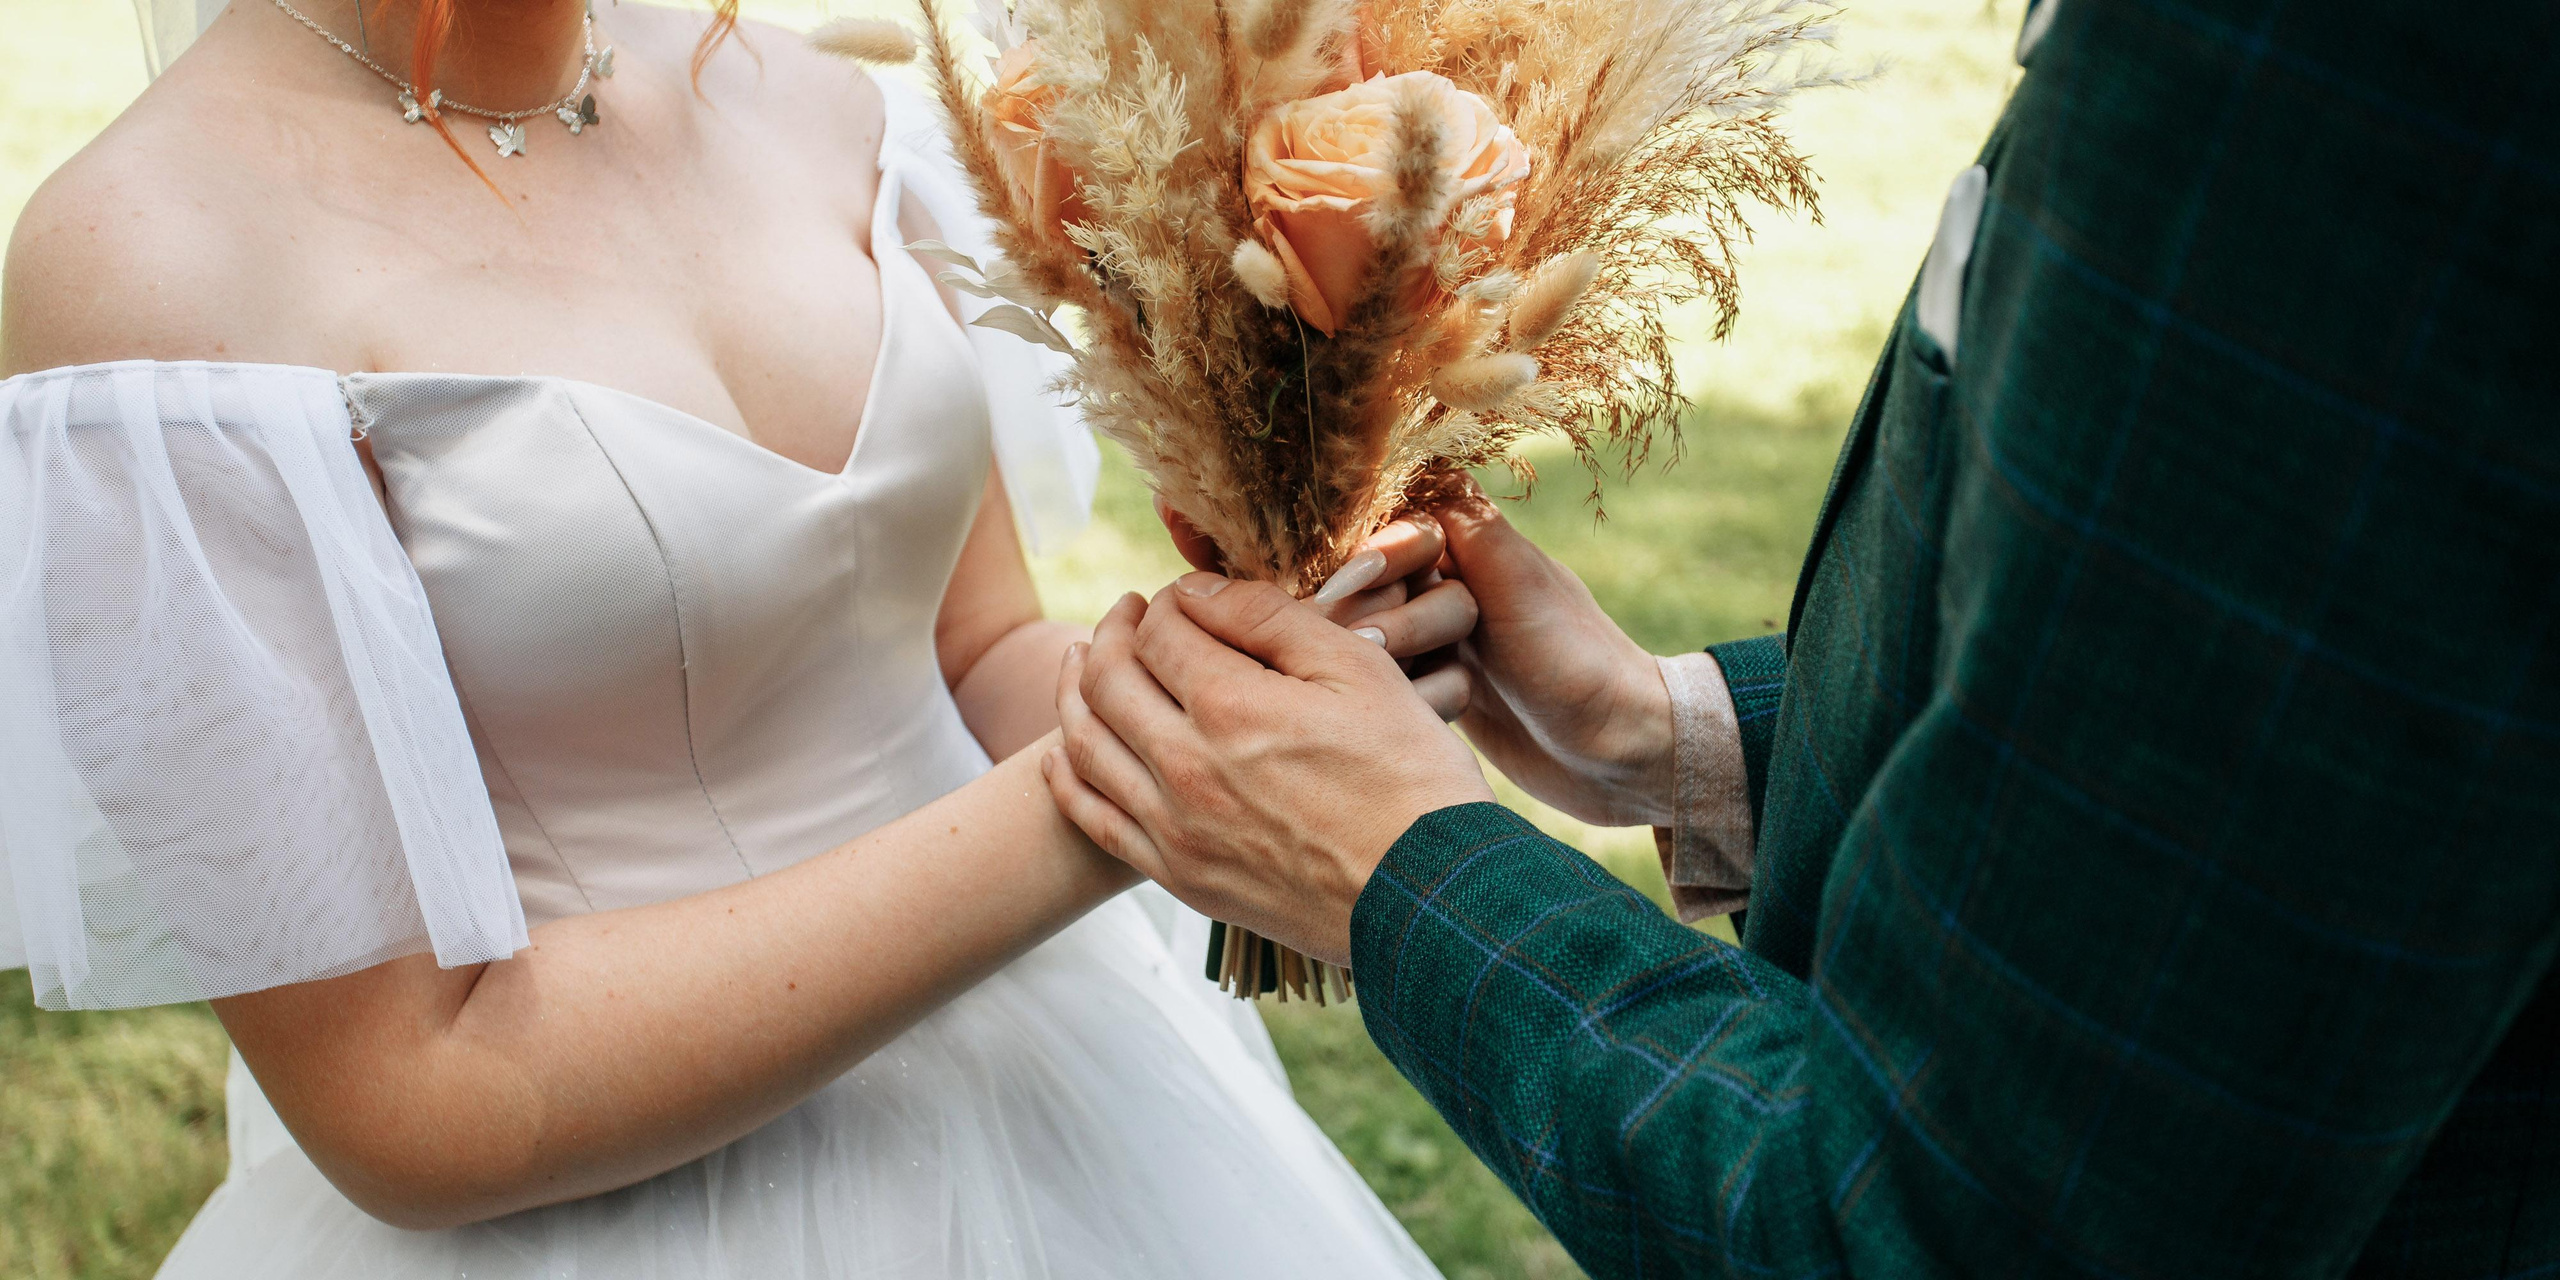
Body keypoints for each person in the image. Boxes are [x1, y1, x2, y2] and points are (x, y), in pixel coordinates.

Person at [1046, 0, 2560, 1275]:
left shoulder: (2338, 63)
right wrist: (1676, 737)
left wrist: (1400, 873)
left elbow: (1955, 1227)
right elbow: (2288, 772)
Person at [0, 1, 1468, 1275]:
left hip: (1068, 1086)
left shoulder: (823, 101)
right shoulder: (151, 265)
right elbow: (409, 1098)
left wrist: (1273, 674)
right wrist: (1124, 787)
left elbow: (972, 651)